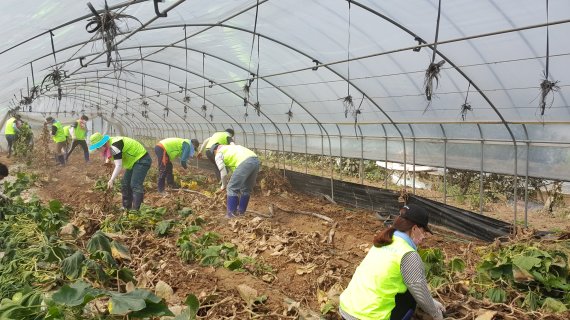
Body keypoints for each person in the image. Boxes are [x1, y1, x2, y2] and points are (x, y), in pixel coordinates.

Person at [339, 204, 445, 320]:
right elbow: (419, 291)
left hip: (347, 309)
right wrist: (436, 314)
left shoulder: (385, 241)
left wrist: (432, 302)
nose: (424, 237)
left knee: (408, 285)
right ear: (414, 229)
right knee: (410, 296)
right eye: (424, 232)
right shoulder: (408, 254)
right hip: (368, 317)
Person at [89, 132, 151, 210]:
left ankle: (136, 210)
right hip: (133, 162)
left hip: (142, 159)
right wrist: (108, 159)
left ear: (103, 145)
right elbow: (109, 153)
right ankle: (126, 207)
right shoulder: (109, 143)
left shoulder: (115, 146)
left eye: (98, 148)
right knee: (125, 184)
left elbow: (118, 165)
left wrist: (111, 180)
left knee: (135, 184)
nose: (97, 150)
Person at [213, 144, 259, 218]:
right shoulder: (233, 147)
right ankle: (241, 212)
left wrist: (223, 186)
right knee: (246, 189)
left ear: (215, 150)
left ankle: (231, 215)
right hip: (255, 160)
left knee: (231, 188)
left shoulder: (219, 154)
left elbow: (223, 173)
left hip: (244, 162)